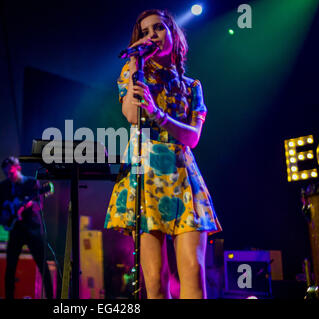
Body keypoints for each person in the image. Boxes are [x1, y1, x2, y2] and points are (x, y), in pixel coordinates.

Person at [105, 9, 222, 299]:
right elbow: (132, 115)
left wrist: (158, 114)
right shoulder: (132, 74)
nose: (151, 35)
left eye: (157, 28)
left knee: (193, 274)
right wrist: (135, 63)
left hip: (182, 178)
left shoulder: (192, 86)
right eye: (144, 33)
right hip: (144, 178)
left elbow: (192, 137)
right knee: (155, 284)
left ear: (173, 33)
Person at [0, 156, 53, 299]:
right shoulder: (4, 186)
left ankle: (53, 298)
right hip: (16, 229)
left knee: (43, 266)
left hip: (33, 230)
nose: (9, 176)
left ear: (18, 168)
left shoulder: (32, 183)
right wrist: (6, 214)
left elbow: (39, 204)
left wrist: (28, 205)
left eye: (11, 173)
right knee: (10, 268)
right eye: (7, 173)